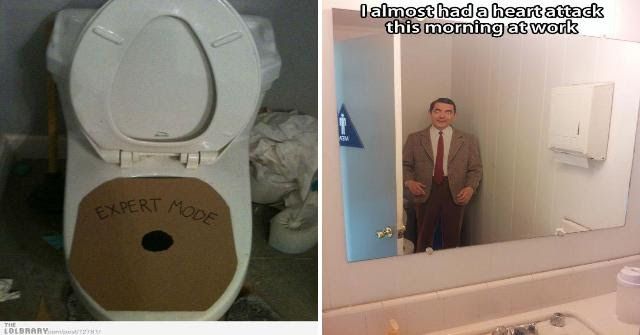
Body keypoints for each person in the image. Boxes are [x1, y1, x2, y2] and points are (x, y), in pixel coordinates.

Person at [402, 98, 482, 252]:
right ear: (430, 113)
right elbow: (405, 165)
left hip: (455, 191)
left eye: (448, 112)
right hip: (424, 190)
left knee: (452, 236)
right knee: (423, 235)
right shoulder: (415, 139)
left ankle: (450, 268)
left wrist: (471, 188)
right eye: (437, 111)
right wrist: (409, 182)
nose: (442, 116)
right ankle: (422, 268)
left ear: (454, 116)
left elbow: (475, 169)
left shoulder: (468, 140)